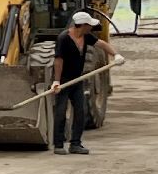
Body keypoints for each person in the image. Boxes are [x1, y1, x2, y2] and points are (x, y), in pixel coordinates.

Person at [49, 10, 118, 155]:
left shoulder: (86, 36)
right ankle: (59, 145)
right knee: (61, 112)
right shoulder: (64, 38)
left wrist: (115, 55)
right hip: (64, 82)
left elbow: (102, 44)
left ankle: (75, 144)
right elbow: (59, 60)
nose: (91, 27)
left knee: (81, 112)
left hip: (77, 80)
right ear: (82, 25)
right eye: (89, 25)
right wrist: (56, 81)